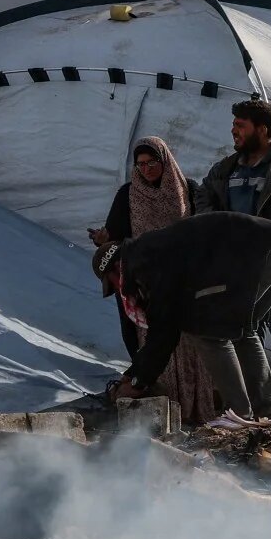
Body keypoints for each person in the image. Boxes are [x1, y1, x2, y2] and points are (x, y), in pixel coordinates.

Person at [95, 212, 271, 421]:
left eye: (113, 283)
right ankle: (264, 414)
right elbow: (164, 327)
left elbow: (165, 330)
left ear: (118, 267)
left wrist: (139, 383)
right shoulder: (150, 250)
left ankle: (239, 415)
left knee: (209, 335)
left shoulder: (145, 262)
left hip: (259, 252)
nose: (121, 292)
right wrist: (134, 373)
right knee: (243, 331)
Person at [195, 99, 271, 419]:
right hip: (239, 270)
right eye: (234, 124)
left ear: (262, 130)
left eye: (241, 125)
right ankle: (253, 410)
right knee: (246, 336)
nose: (234, 131)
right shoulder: (226, 169)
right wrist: (220, 228)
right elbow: (203, 196)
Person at [88, 137, 217, 425]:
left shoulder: (188, 191)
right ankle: (163, 408)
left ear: (166, 160)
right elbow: (117, 241)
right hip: (146, 286)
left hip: (186, 283)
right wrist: (105, 239)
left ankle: (196, 410)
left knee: (189, 345)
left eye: (153, 163)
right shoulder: (127, 196)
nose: (146, 169)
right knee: (155, 342)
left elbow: (204, 231)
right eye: (141, 164)